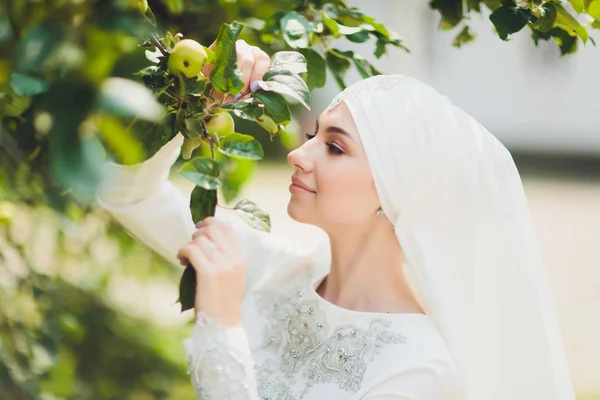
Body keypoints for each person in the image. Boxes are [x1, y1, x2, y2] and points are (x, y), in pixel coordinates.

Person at [96, 40, 576, 399]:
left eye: (334, 146)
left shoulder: (418, 371)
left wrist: (221, 330)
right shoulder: (271, 269)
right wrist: (196, 96)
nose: (297, 155)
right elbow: (126, 194)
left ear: (394, 191)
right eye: (312, 134)